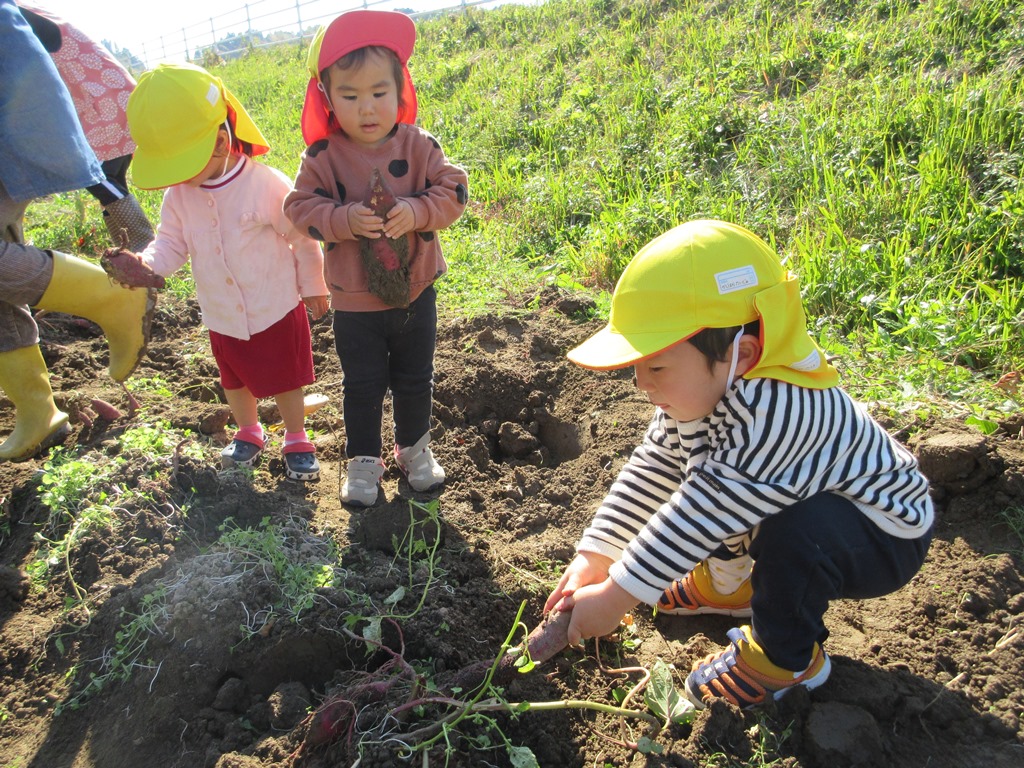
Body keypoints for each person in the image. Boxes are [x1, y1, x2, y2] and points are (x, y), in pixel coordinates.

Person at [544, 219, 934, 709]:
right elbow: (655, 466)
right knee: (714, 479)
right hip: (786, 498)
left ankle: (785, 660)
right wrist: (596, 555)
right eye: (636, 365)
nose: (642, 384)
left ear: (741, 354)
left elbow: (703, 510)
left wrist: (617, 596)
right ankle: (732, 588)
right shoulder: (704, 390)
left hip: (881, 533)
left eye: (657, 366)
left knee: (793, 534)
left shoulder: (778, 412)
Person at [284, 10, 469, 506]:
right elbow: (298, 208)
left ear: (400, 90)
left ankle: (414, 450)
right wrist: (343, 220)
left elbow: (454, 189)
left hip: (415, 290)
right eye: (349, 96)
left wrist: (416, 209)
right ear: (327, 99)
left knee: (415, 379)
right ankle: (363, 460)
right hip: (354, 302)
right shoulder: (322, 157)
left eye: (378, 93)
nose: (366, 108)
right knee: (362, 385)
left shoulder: (420, 145)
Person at [125, 62, 330, 482]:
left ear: (220, 143)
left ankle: (296, 436)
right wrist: (146, 265)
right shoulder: (179, 196)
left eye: (181, 165)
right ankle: (249, 431)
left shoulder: (264, 184)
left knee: (287, 378)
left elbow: (301, 237)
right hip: (222, 314)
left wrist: (313, 286)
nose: (175, 179)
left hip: (273, 305)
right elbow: (170, 243)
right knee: (233, 379)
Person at [0, 0, 155, 462]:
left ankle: (112, 294)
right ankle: (37, 412)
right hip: (59, 114)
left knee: (112, 190)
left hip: (53, 116)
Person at [18, 2, 155, 252]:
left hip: (101, 99)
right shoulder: (29, 11)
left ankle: (144, 247)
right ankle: (129, 252)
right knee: (108, 181)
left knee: (96, 177)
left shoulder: (17, 15)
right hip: (107, 96)